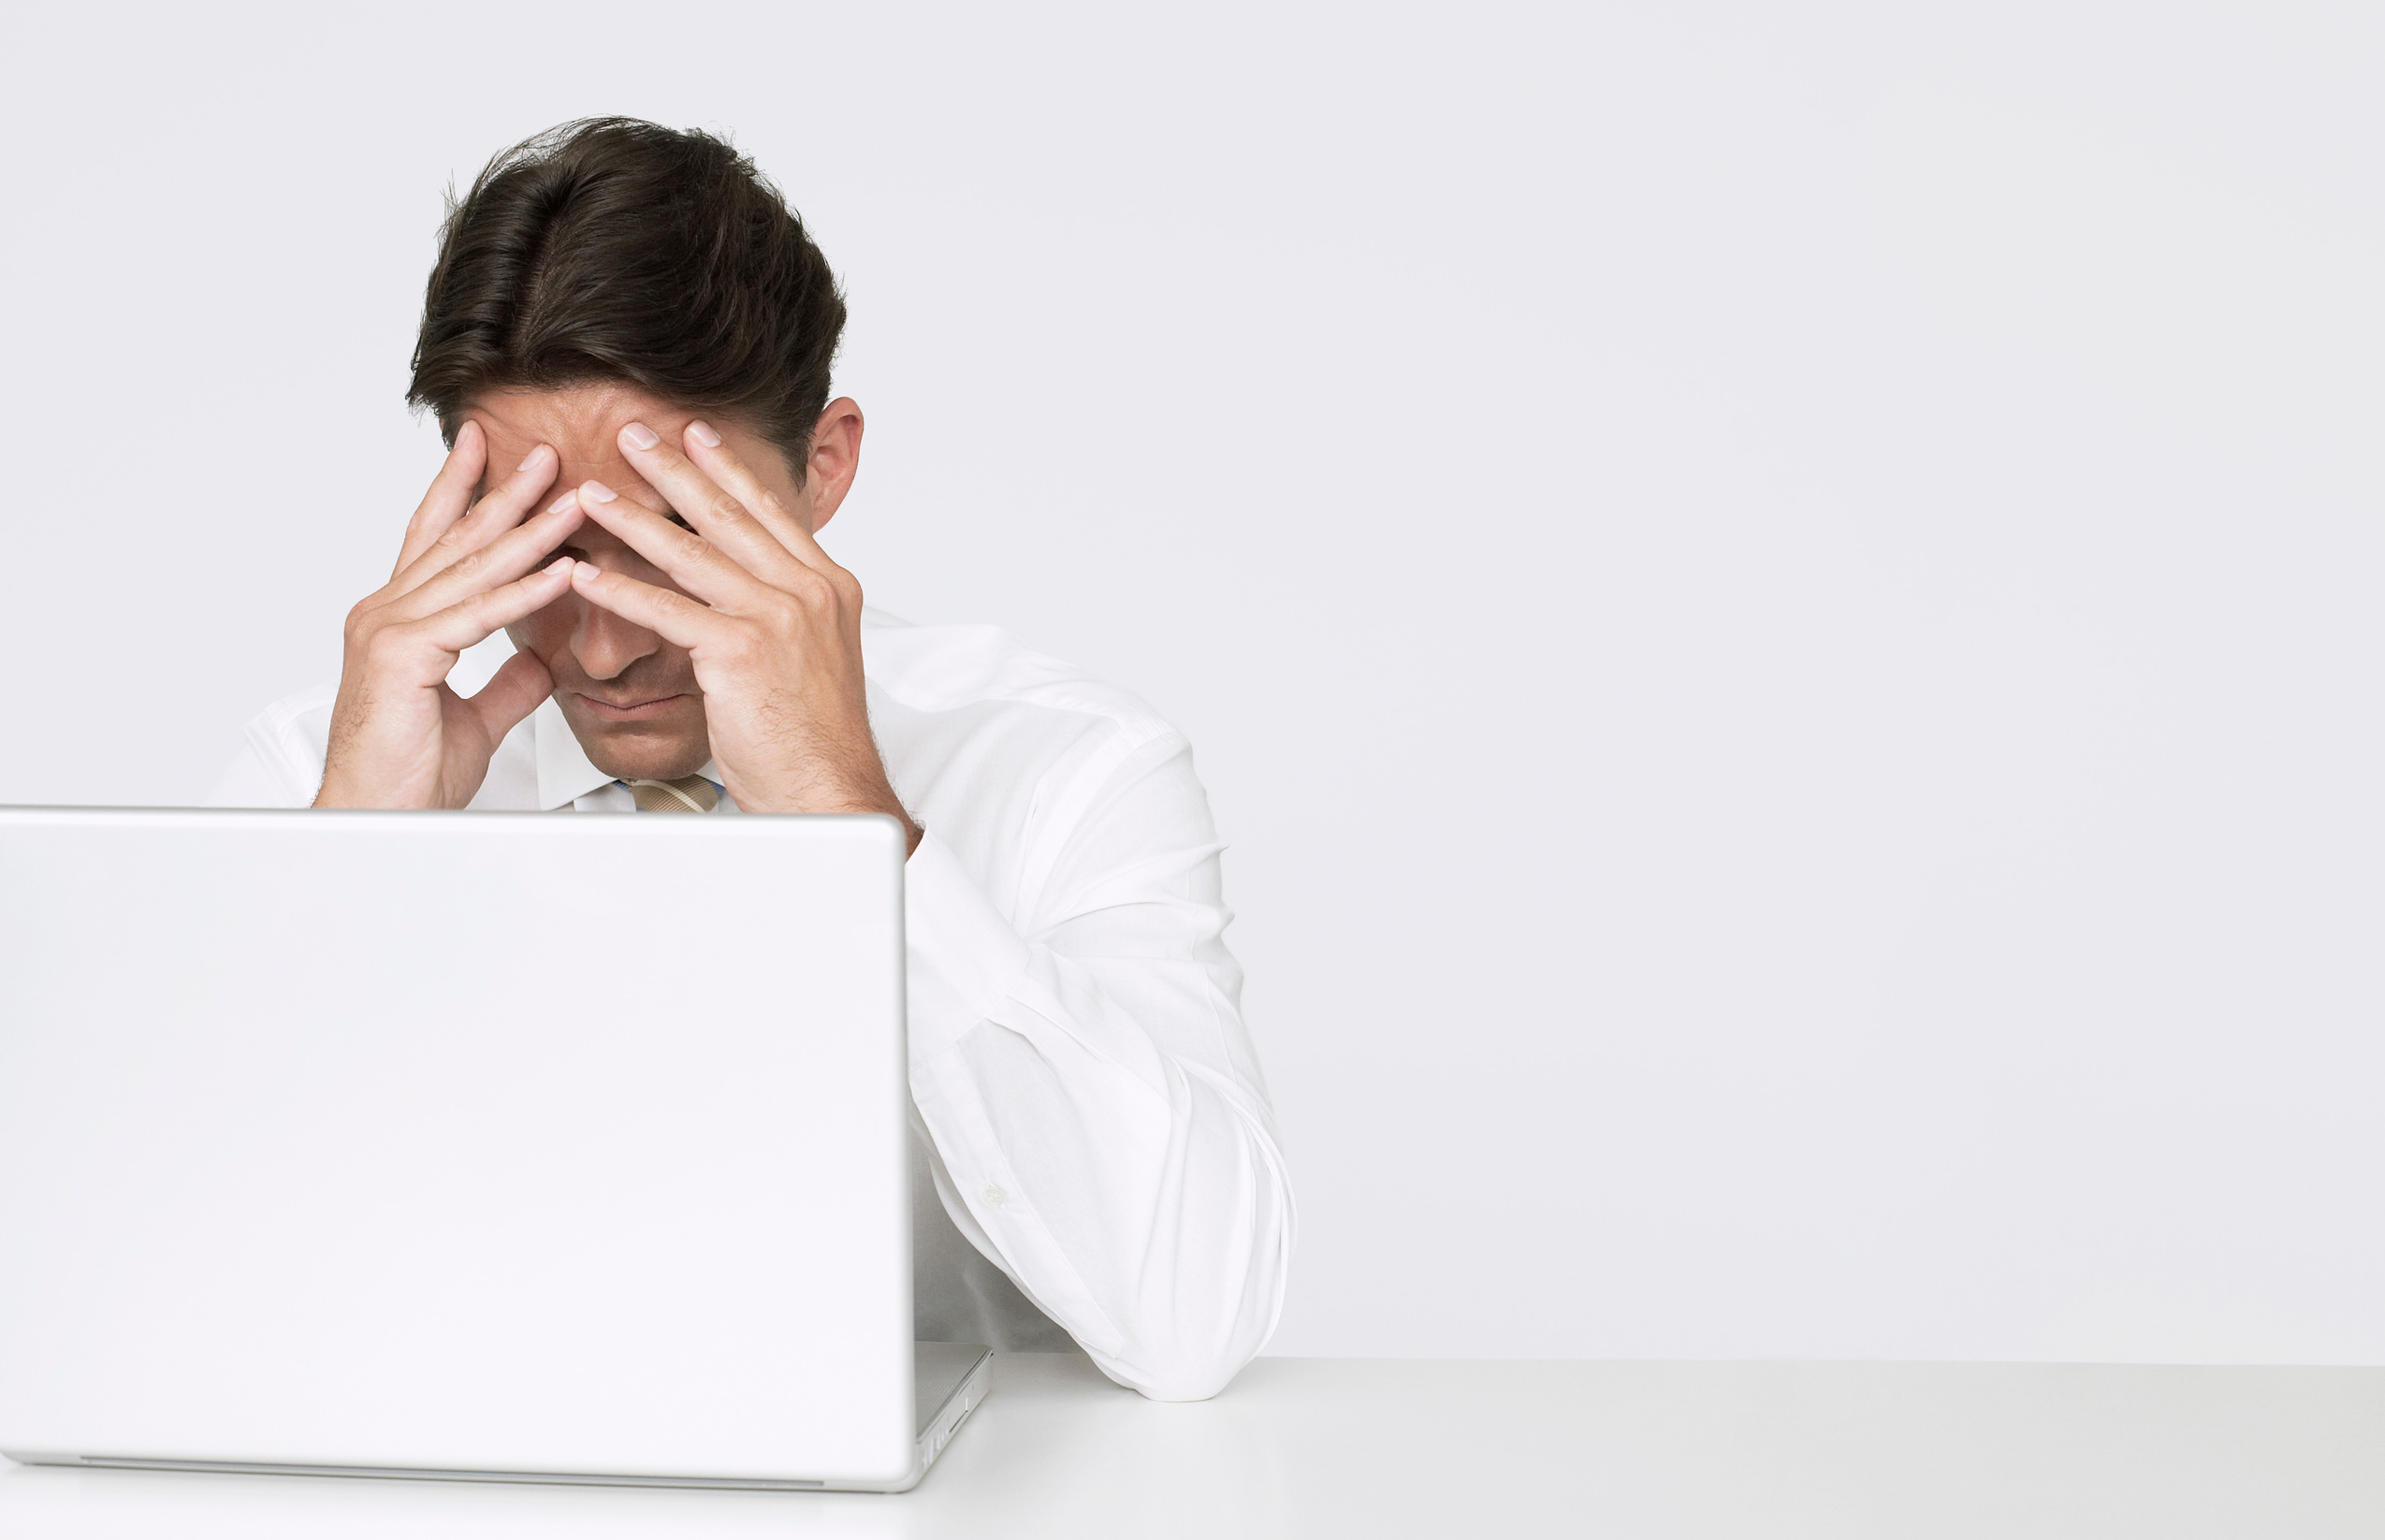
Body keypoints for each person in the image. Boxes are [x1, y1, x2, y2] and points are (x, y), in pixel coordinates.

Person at [208, 118, 1292, 1402]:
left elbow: (1192, 1319)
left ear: (821, 467)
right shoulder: (321, 772)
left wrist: (851, 818)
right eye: (540, 551)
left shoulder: (1062, 764)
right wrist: (347, 880)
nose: (602, 647)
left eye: (669, 536)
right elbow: (179, 1309)